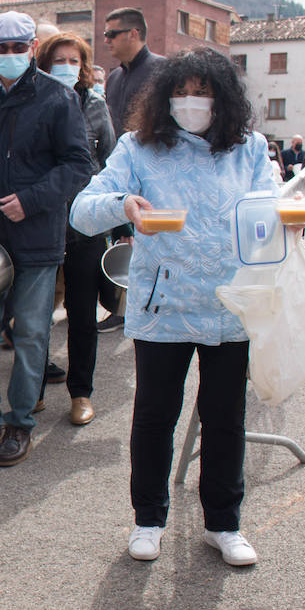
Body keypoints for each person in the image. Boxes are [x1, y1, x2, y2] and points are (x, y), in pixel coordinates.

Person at [70, 47, 276, 567]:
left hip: (231, 304)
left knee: (225, 416)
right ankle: (148, 518)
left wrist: (284, 221)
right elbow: (81, 211)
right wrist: (124, 205)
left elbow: (268, 212)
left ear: (222, 97)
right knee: (155, 414)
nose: (190, 101)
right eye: (180, 91)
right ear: (164, 97)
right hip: (164, 304)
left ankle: (224, 524)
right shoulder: (138, 149)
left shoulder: (249, 148)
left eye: (201, 91)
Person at [0, 10, 93, 467]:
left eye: (18, 48)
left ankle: (20, 421)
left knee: (30, 332)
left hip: (38, 237)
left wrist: (32, 199)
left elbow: (78, 165)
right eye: (2, 48)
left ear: (31, 49)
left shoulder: (57, 97)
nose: (10, 55)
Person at [36, 31, 116, 426]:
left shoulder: (96, 105)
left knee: (83, 314)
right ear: (44, 64)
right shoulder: (32, 101)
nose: (66, 67)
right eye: (58, 60)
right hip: (40, 221)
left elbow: (110, 164)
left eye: (74, 60)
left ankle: (81, 393)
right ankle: (31, 392)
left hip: (84, 224)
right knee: (34, 314)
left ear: (83, 66)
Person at [102, 7, 165, 136]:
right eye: (105, 35)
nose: (106, 41)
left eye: (111, 35)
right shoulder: (113, 78)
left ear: (133, 34)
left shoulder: (163, 70)